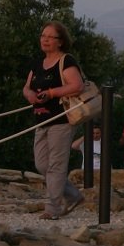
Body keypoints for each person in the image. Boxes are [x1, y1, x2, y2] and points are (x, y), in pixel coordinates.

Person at [23, 21, 87, 220]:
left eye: (50, 37)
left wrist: (52, 92)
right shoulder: (37, 63)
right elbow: (26, 87)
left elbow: (77, 85)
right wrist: (30, 95)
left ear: (60, 42)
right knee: (42, 164)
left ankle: (52, 209)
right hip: (41, 119)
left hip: (61, 119)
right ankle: (73, 195)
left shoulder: (66, 61)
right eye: (43, 36)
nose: (45, 40)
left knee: (56, 166)